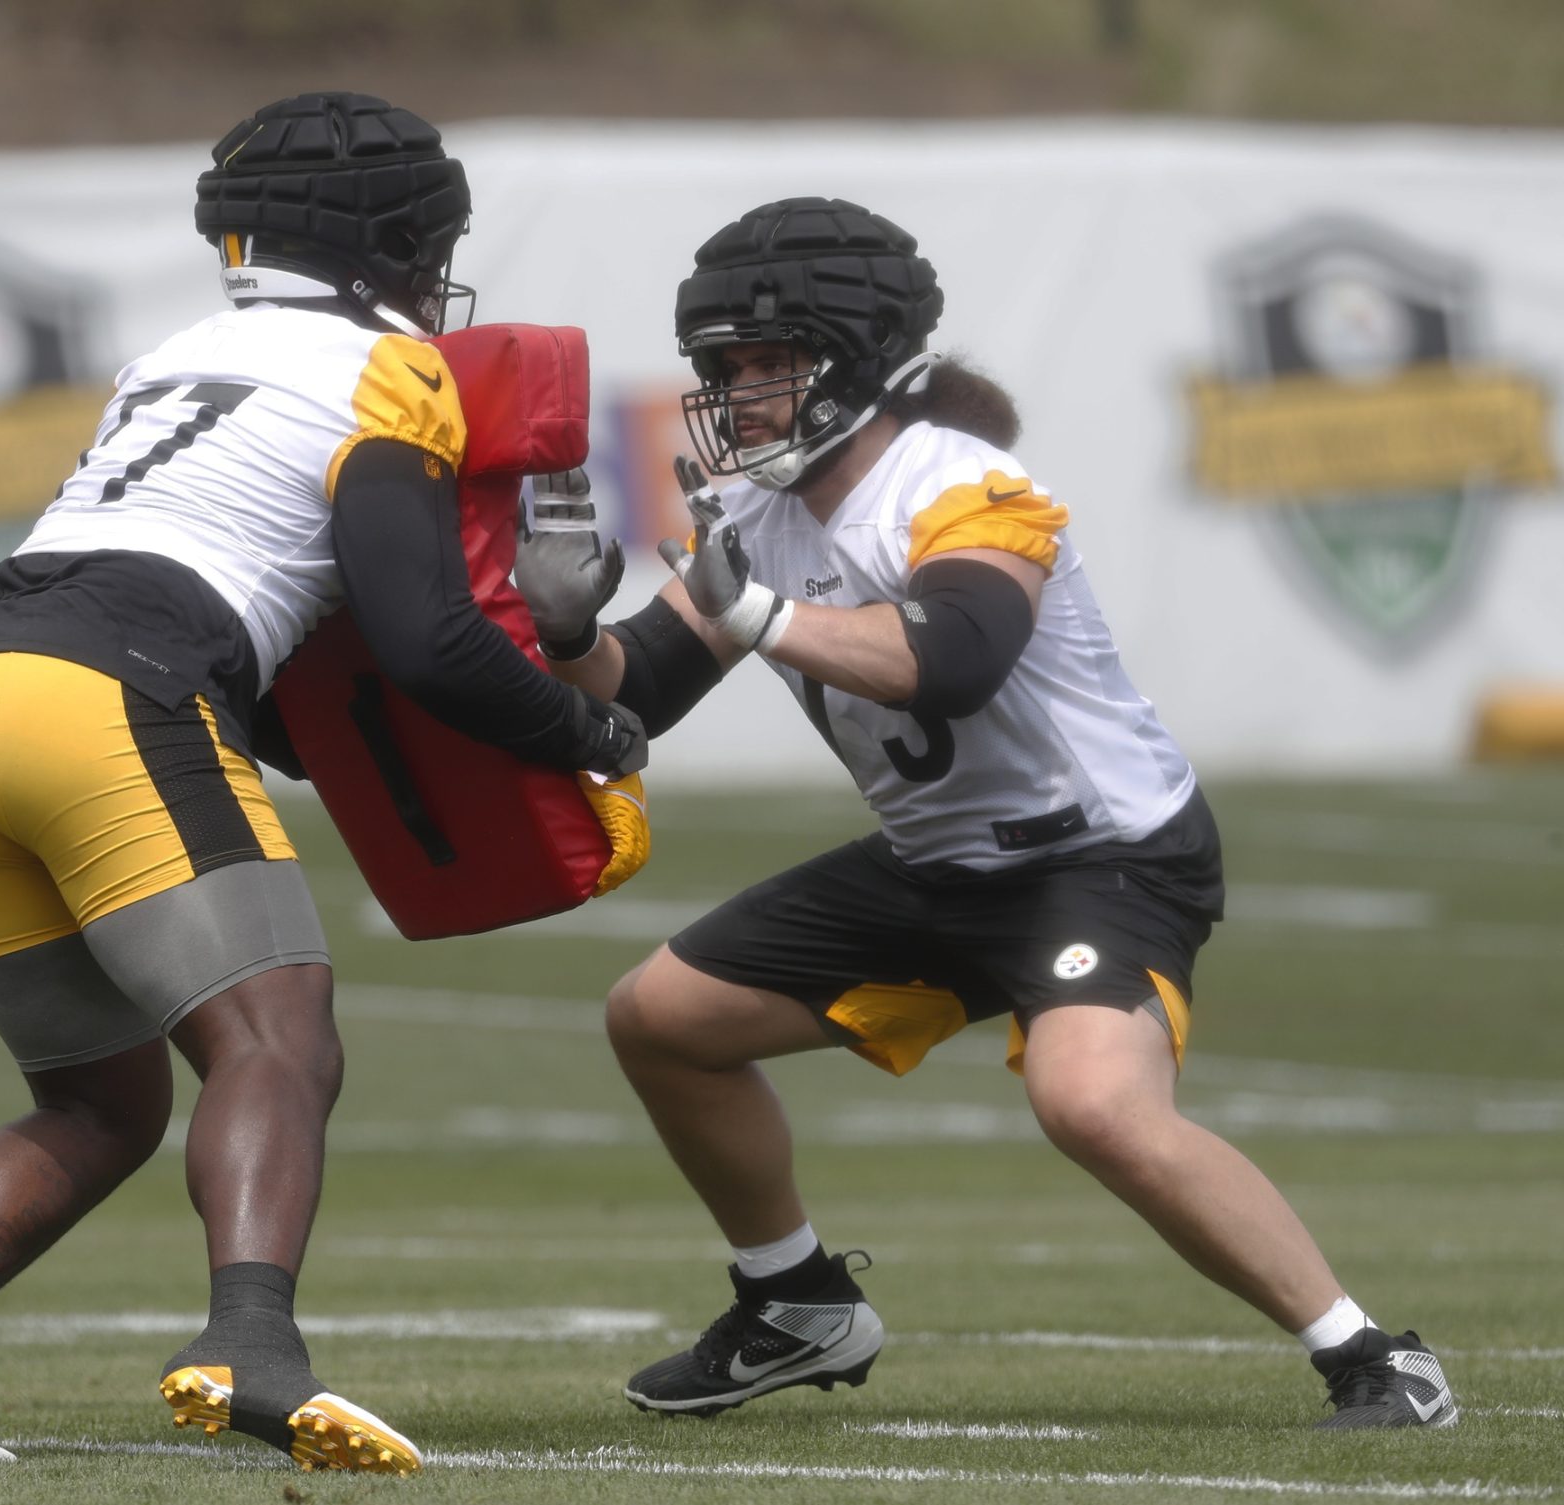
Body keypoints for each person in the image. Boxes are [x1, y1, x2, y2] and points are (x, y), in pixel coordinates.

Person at [0, 91, 646, 1474]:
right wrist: (586, 729)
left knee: (100, 1101)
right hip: (107, 689)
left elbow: (280, 695)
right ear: (390, 244)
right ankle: (248, 1339)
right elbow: (429, 642)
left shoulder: (179, 354)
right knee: (278, 1037)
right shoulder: (394, 371)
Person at [515, 196, 1456, 1430]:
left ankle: (1373, 1356)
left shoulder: (960, 482)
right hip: (938, 860)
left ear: (853, 362)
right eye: (726, 369)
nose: (740, 395)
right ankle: (792, 1300)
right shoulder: (756, 510)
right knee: (661, 1017)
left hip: (1099, 856)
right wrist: (570, 631)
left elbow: (951, 655)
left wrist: (754, 618)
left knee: (1092, 1103)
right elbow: (639, 691)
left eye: (768, 365)